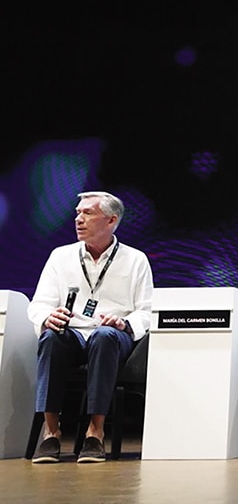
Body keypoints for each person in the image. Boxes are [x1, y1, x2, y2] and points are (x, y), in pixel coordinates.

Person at [27, 191, 154, 464]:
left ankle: (95, 433)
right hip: (72, 333)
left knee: (105, 336)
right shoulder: (60, 257)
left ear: (111, 221)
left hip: (112, 337)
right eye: (77, 213)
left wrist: (125, 323)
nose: (78, 219)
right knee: (51, 337)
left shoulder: (135, 260)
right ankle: (51, 432)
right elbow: (38, 305)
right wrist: (48, 316)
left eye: (87, 213)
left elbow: (146, 311)